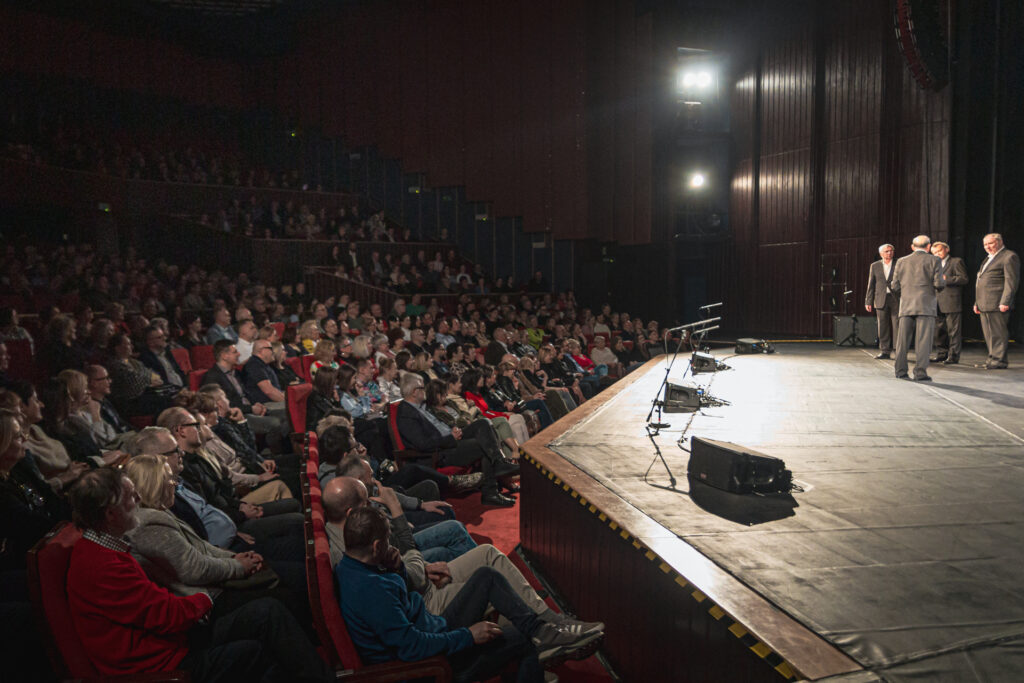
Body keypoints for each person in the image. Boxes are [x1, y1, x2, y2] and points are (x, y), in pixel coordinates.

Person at [65, 468, 330, 681]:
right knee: (256, 650)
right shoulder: (101, 565)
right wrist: (207, 598)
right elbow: (167, 615)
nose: (138, 502)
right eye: (132, 498)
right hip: (160, 663)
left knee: (268, 611)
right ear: (111, 513)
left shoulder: (105, 546)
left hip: (171, 640)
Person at [336, 505, 601, 682]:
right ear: (376, 544)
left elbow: (402, 603)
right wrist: (468, 635)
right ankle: (542, 636)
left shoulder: (356, 564)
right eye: (388, 542)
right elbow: (412, 647)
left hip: (432, 627)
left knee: (487, 576)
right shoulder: (370, 590)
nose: (393, 546)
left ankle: (543, 632)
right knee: (522, 638)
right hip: (429, 662)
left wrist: (399, 568)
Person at [396, 373, 518, 507]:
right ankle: (490, 492)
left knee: (483, 423)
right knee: (482, 444)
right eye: (422, 388)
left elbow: (438, 424)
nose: (425, 390)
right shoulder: (406, 413)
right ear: (414, 392)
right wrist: (450, 438)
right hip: (441, 452)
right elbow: (422, 444)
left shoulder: (421, 406)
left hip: (450, 439)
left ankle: (498, 462)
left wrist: (452, 429)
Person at [891, 235, 943, 381]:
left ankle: (900, 371)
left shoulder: (901, 261)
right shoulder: (935, 260)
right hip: (926, 305)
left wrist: (906, 295)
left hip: (906, 305)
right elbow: (939, 284)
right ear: (928, 246)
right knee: (923, 342)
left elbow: (894, 286)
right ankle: (920, 373)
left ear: (912, 246)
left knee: (902, 341)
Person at [973, 233, 1021, 369]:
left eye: (990, 243)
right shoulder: (988, 258)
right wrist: (977, 302)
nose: (987, 247)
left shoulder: (1009, 256)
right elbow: (981, 282)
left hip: (997, 302)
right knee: (989, 334)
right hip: (984, 303)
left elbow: (1011, 282)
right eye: (985, 244)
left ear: (1000, 242)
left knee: (998, 333)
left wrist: (1005, 301)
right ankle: (992, 359)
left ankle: (999, 360)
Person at [929, 241, 968, 365]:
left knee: (953, 331)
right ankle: (941, 354)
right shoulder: (933, 264)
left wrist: (947, 279)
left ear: (946, 250)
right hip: (936, 302)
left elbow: (964, 279)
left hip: (951, 301)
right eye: (934, 252)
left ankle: (953, 356)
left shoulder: (956, 261)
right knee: (939, 331)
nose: (937, 254)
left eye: (939, 251)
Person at [865, 243, 899, 360]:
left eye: (891, 251)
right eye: (886, 251)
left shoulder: (899, 263)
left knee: (897, 326)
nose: (889, 253)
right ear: (881, 254)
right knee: (882, 326)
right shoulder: (875, 266)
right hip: (880, 299)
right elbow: (871, 284)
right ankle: (885, 351)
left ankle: (898, 350)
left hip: (896, 299)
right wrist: (868, 301)